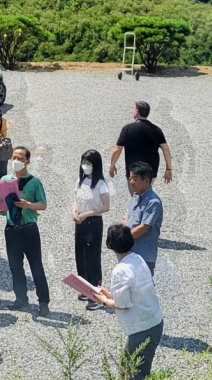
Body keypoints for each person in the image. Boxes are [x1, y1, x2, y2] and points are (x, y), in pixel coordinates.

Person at [94, 224, 164, 380]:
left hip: (141, 328)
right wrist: (107, 293)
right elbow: (130, 294)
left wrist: (103, 301)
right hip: (154, 321)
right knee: (133, 368)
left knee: (132, 373)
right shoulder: (138, 259)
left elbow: (122, 304)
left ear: (110, 244)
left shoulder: (120, 270)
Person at [0, 146, 50, 316]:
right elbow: (2, 206)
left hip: (29, 228)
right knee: (15, 266)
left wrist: (28, 205)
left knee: (36, 266)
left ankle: (43, 301)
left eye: (21, 158)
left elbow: (43, 204)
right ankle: (20, 298)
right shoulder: (5, 180)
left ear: (27, 161)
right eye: (14, 157)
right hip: (12, 228)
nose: (17, 161)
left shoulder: (34, 182)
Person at [74, 149, 111, 310]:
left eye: (89, 163)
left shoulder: (101, 184)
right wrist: (74, 212)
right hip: (80, 221)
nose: (85, 166)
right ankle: (85, 288)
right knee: (80, 255)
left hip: (93, 222)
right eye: (84, 162)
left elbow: (106, 206)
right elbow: (75, 199)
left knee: (92, 257)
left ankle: (96, 293)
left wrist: (88, 213)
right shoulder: (80, 180)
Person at [111, 101, 173, 182]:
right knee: (147, 189)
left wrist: (112, 166)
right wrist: (168, 169)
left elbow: (117, 150)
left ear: (137, 112)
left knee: (134, 190)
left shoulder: (127, 129)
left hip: (133, 171)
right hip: (151, 170)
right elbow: (166, 149)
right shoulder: (156, 130)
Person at [125, 161, 163, 276]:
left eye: (135, 179)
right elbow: (128, 218)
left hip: (144, 256)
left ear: (146, 180)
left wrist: (123, 239)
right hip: (130, 252)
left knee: (142, 285)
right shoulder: (135, 197)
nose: (131, 182)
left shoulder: (153, 202)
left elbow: (144, 227)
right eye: (130, 178)